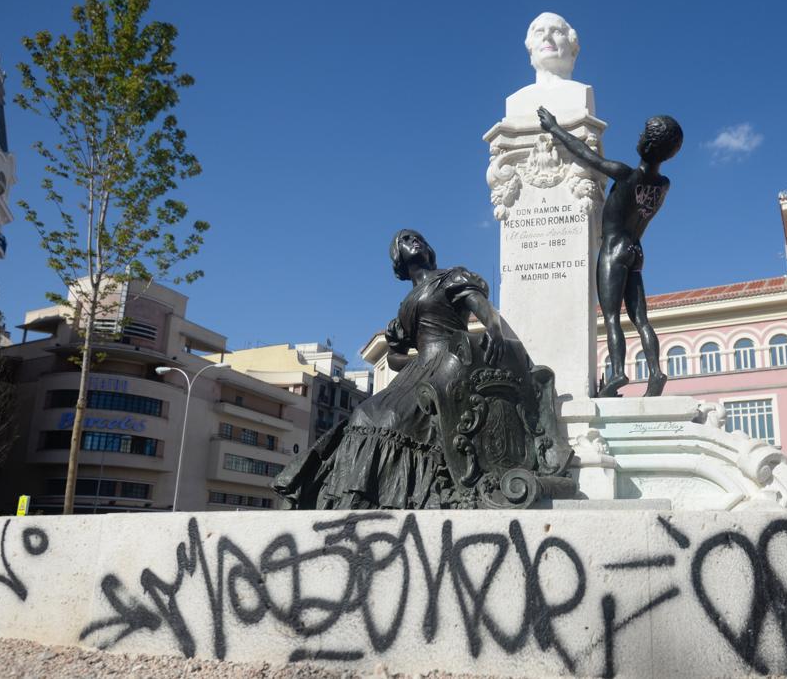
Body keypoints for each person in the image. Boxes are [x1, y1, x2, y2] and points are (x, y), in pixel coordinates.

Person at [273, 230, 537, 509]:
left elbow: (485, 311)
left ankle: (393, 495)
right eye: (407, 240)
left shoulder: (450, 278)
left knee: (388, 418)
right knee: (363, 414)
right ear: (398, 257)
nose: (416, 241)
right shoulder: (405, 308)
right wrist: (413, 364)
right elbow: (395, 355)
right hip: (420, 368)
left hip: (451, 362)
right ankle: (346, 496)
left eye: (419, 238)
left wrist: (494, 330)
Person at [538, 106, 683, 397]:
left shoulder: (625, 174)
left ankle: (617, 373)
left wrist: (554, 128)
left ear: (649, 144)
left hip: (614, 248)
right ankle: (655, 372)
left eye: (644, 132)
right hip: (636, 250)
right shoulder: (663, 185)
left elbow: (586, 155)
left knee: (612, 317)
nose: (640, 135)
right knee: (641, 319)